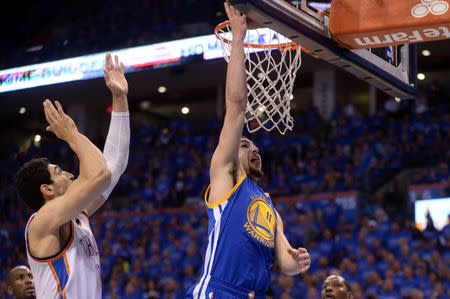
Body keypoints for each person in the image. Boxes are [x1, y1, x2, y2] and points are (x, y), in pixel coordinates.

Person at [186, 3, 310, 298]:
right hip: (218, 290)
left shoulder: (269, 207)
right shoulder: (226, 178)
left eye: (255, 146)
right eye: (244, 145)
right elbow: (236, 107)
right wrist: (239, 38)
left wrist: (296, 261)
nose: (253, 149)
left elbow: (284, 261)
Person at [15, 52, 130, 299]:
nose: (68, 173)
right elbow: (99, 172)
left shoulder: (77, 216)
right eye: (59, 172)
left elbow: (114, 165)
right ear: (47, 189)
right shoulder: (42, 221)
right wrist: (70, 134)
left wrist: (119, 97)